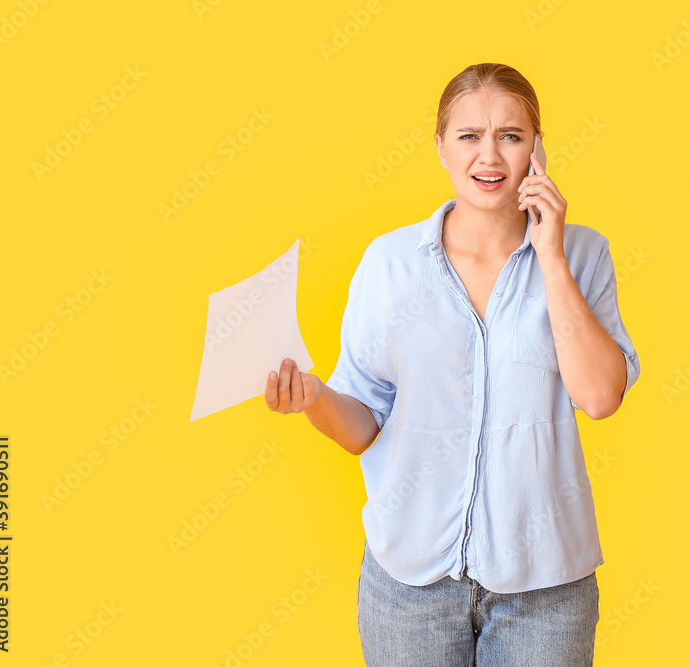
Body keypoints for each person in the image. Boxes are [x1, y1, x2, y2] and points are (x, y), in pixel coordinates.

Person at [265, 62, 639, 666]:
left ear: (536, 149)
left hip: (544, 588)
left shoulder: (582, 253)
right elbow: (361, 427)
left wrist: (550, 255)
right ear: (441, 146)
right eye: (469, 136)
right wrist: (313, 398)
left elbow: (599, 397)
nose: (489, 156)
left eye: (510, 136)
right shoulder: (390, 264)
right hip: (409, 587)